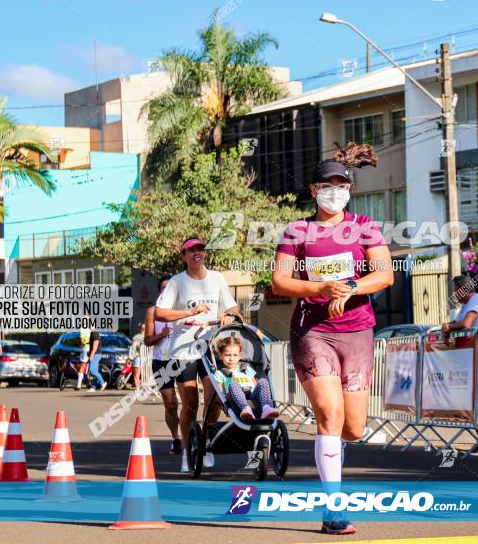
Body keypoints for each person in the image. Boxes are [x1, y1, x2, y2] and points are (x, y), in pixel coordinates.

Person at [272, 143, 394, 535]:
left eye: (341, 185)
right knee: (329, 416)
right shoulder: (298, 230)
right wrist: (320, 286)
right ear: (314, 189)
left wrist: (350, 287)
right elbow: (280, 281)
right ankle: (333, 507)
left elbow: (385, 274)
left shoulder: (365, 226)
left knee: (353, 428)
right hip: (313, 332)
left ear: (349, 190)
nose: (335, 191)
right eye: (328, 185)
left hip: (357, 331)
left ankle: (330, 457)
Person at [155, 237, 242, 473]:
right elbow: (159, 313)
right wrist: (189, 312)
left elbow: (233, 307)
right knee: (190, 403)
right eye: (191, 250)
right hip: (184, 349)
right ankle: (187, 450)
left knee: (214, 397)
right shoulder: (177, 282)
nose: (197, 253)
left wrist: (230, 316)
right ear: (183, 255)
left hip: (211, 347)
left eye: (200, 249)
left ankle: (206, 443)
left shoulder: (217, 278)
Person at [145, 276, 180, 456]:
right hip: (161, 361)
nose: (166, 292)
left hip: (180, 359)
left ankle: (193, 438)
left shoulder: (181, 310)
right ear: (159, 292)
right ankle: (175, 438)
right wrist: (162, 335)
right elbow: (147, 341)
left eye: (170, 288)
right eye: (163, 288)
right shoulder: (153, 312)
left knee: (190, 402)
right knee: (171, 404)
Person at [211, 336, 279, 421]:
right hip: (234, 399)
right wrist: (225, 398)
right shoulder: (219, 373)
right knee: (233, 384)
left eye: (235, 355)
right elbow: (220, 393)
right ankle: (246, 409)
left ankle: (266, 407)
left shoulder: (245, 368)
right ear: (220, 355)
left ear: (240, 356)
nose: (231, 358)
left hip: (252, 396)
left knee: (263, 381)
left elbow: (254, 384)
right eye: (228, 355)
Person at [83, 326, 105, 392]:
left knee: (92, 370)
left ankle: (102, 382)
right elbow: (93, 342)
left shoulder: (94, 333)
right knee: (95, 371)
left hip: (96, 354)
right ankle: (94, 387)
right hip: (96, 354)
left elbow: (95, 344)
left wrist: (92, 354)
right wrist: (86, 343)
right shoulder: (92, 333)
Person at [129, 323, 144, 389]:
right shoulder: (148, 337)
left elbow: (133, 348)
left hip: (137, 357)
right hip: (145, 358)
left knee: (136, 374)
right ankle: (141, 387)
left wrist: (130, 358)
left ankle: (137, 388)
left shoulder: (136, 337)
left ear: (139, 329)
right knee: (141, 373)